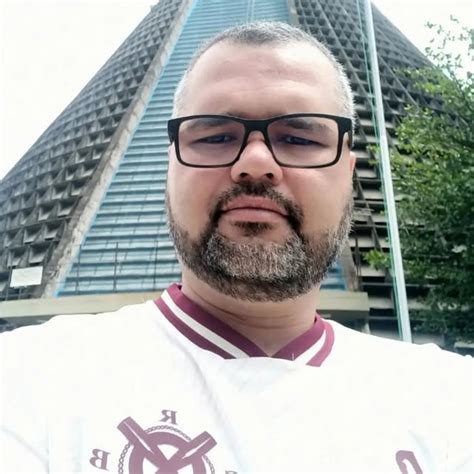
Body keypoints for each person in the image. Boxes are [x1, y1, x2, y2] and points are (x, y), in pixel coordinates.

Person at [1, 21, 472, 474]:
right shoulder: (28, 380)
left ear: (348, 174)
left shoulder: (451, 404)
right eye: (215, 136)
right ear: (170, 167)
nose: (256, 163)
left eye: (300, 137)